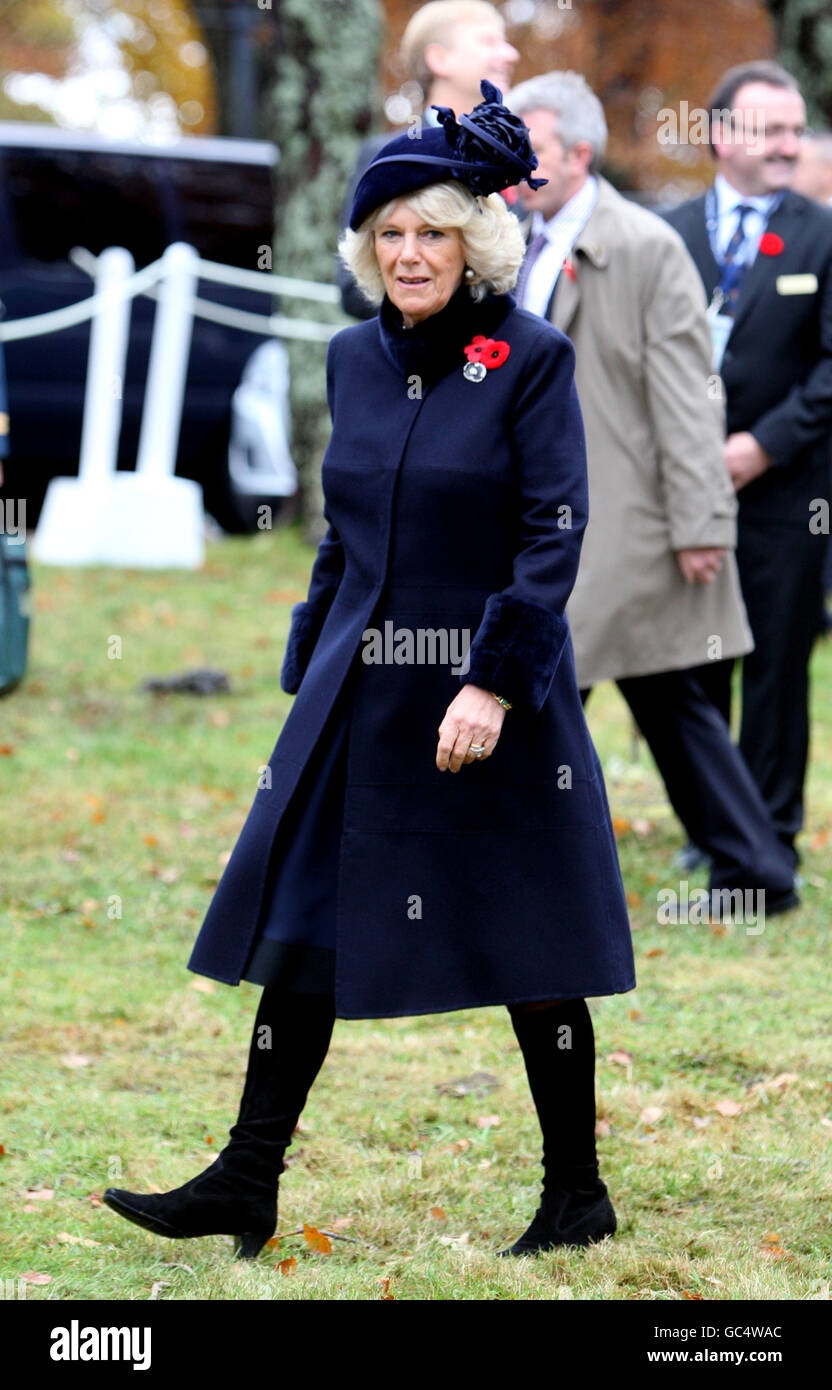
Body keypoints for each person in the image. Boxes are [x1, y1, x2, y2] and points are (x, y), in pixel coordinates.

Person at [103, 81, 636, 1262]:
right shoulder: (350, 359)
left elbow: (553, 528)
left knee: (529, 938)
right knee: (304, 924)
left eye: (431, 230)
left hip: (485, 695)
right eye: (386, 233)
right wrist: (313, 657)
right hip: (362, 690)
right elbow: (346, 528)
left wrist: (493, 682)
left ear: (475, 241)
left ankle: (576, 1194)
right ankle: (245, 1177)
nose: (406, 252)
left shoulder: (528, 358)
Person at [504, 71, 798, 915]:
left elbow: (687, 392)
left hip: (621, 522)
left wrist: (703, 520)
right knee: (670, 703)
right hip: (553, 514)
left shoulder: (639, 245)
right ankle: (757, 872)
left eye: (532, 151)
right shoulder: (516, 236)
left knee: (536, 685)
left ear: (581, 154)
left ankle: (519, 868)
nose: (514, 166)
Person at [665, 61, 832, 872]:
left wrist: (762, 444)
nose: (787, 146)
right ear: (721, 135)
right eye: (770, 130)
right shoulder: (669, 233)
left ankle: (772, 834)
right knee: (697, 657)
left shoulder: (822, 232)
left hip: (790, 489)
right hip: (686, 485)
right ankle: (712, 829)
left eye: (795, 130)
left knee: (774, 660)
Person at [337, 0, 525, 318]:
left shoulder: (517, 162)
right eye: (489, 41)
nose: (511, 54)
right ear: (439, 59)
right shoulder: (385, 157)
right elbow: (352, 288)